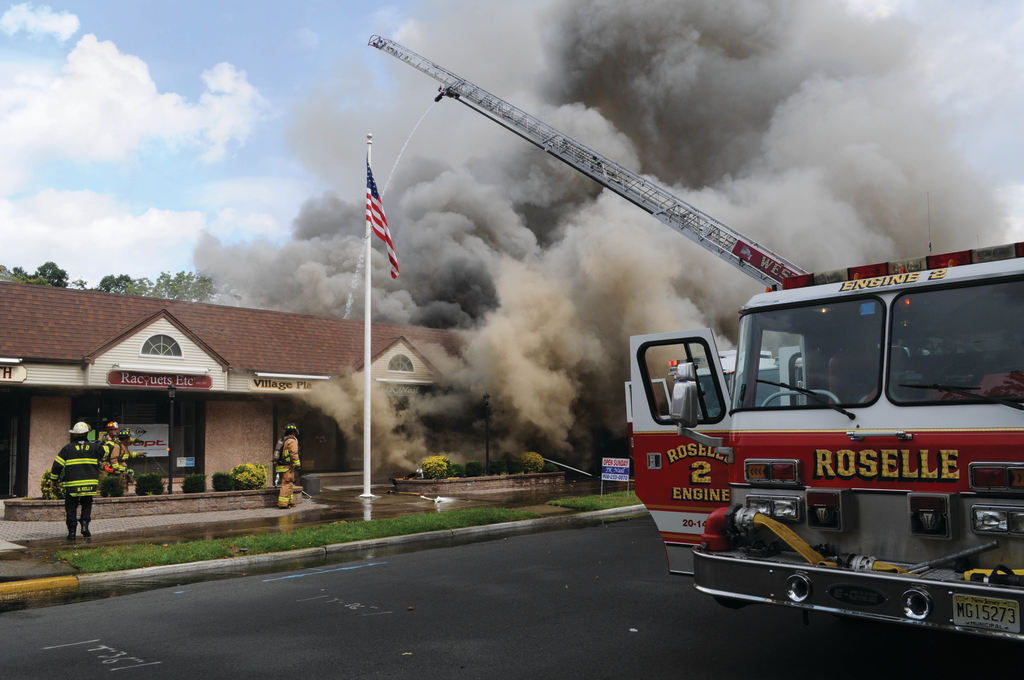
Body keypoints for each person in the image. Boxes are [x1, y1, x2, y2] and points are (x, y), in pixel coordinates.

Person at [51, 422, 105, 541]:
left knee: (71, 507)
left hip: (72, 486)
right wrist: (105, 442)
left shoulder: (67, 448)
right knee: (86, 504)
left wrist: (54, 479)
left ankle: (72, 533)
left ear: (74, 434)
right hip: (89, 484)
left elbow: (57, 466)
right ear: (87, 433)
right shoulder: (95, 447)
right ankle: (85, 527)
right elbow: (105, 453)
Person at [276, 423, 301, 508]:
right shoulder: (292, 441)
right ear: (293, 433)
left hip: (280, 466)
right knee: (286, 484)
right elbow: (294, 454)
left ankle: (290, 502)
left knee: (289, 483)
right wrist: (298, 464)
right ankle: (283, 504)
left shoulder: (282, 440)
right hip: (287, 466)